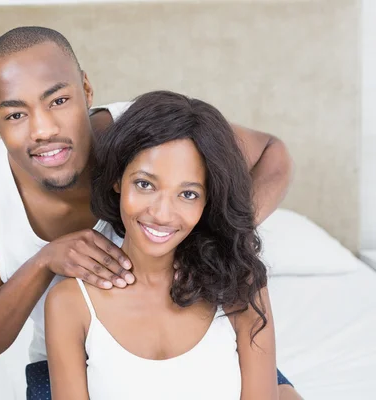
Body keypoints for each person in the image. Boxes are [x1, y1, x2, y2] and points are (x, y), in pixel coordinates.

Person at [0, 26, 301, 399]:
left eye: (59, 101)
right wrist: (45, 262)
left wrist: (213, 233)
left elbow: (272, 154)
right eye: (15, 114)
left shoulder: (147, 132)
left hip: (193, 329)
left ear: (86, 90)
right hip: (71, 353)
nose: (44, 129)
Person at [46, 90, 278, 399]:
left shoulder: (241, 285)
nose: (161, 214)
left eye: (188, 194)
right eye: (145, 184)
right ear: (117, 179)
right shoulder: (69, 303)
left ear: (208, 200)